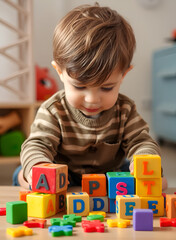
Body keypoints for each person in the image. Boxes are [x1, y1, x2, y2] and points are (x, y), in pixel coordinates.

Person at [18, 3, 167, 190]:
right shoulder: (53, 110)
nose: (92, 99)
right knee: (23, 172)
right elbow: (38, 143)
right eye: (80, 86)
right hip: (64, 175)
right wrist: (36, 168)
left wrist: (147, 167)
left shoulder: (125, 110)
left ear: (124, 75)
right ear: (60, 72)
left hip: (111, 176)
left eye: (106, 88)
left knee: (149, 178)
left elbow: (141, 141)